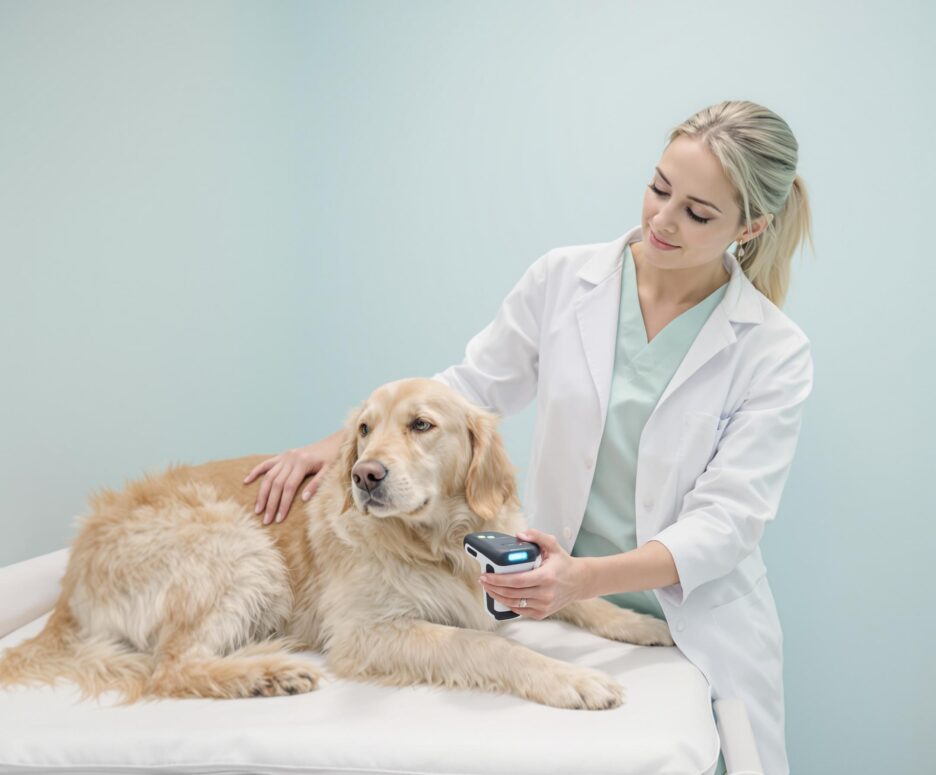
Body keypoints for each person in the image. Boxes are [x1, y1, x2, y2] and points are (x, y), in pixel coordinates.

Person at [243, 99, 813, 775]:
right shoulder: (565, 279)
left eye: (697, 213)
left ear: (749, 226)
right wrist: (341, 447)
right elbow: (470, 388)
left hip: (689, 611)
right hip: (553, 594)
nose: (661, 219)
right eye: (659, 187)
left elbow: (727, 522)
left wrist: (584, 579)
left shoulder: (774, 350)